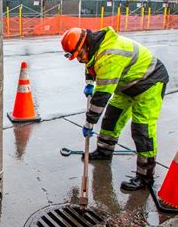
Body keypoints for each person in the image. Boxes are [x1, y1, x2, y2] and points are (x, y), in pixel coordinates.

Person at [61, 26, 169, 191]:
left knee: (142, 130)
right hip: (127, 85)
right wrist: (89, 83)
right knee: (111, 118)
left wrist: (89, 123)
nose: (79, 60)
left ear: (85, 45)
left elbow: (101, 98)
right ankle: (104, 152)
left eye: (79, 55)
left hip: (149, 82)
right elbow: (90, 64)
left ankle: (145, 176)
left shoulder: (109, 56)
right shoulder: (94, 49)